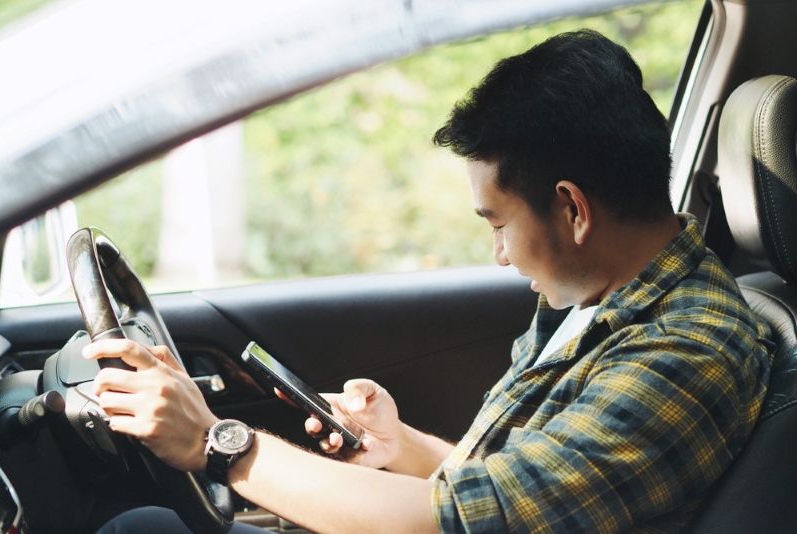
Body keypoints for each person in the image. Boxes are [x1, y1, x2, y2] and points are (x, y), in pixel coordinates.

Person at [94, 30, 773, 533]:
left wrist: (219, 445)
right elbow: (524, 487)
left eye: (497, 223)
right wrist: (406, 449)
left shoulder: (687, 350)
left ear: (572, 209)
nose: (499, 255)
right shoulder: (600, 301)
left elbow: (476, 523)